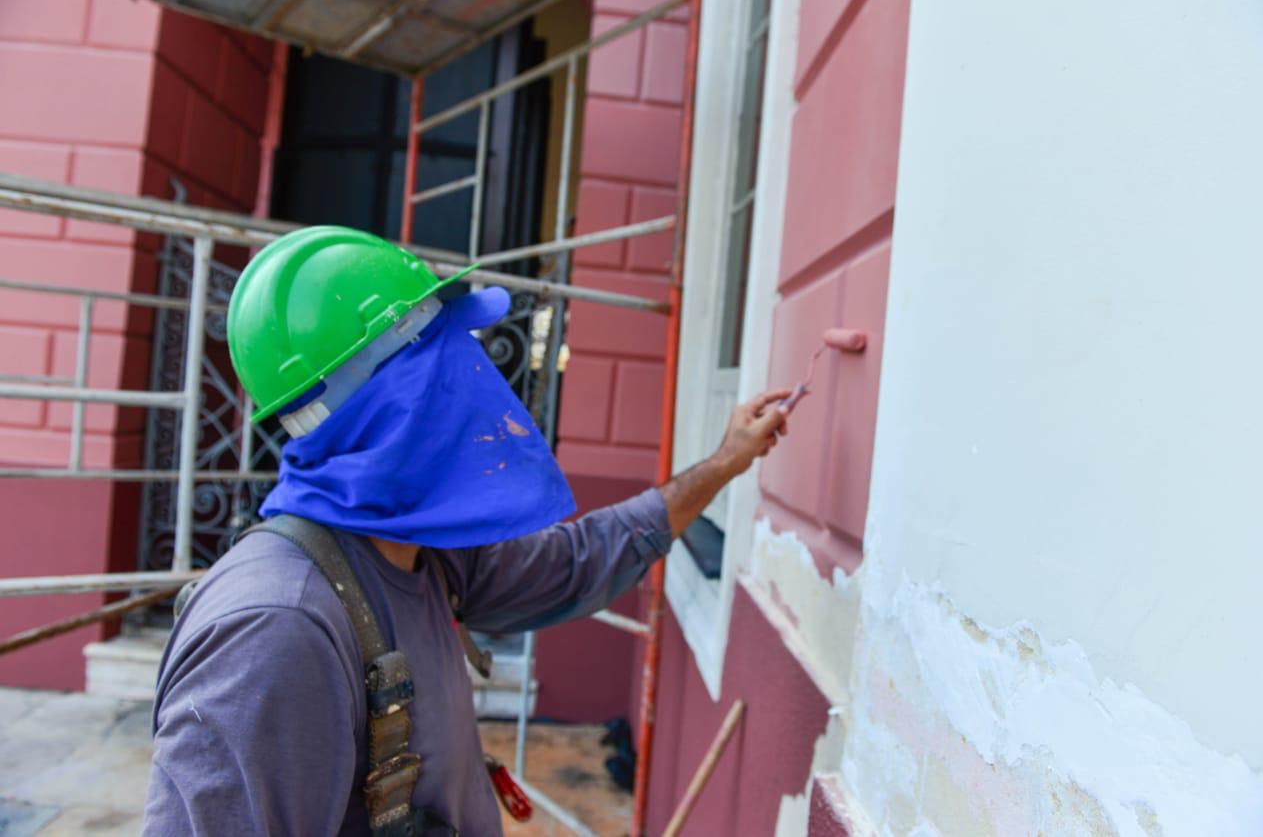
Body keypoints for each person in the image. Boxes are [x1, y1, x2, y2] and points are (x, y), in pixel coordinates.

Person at [142, 226, 790, 836]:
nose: (480, 383)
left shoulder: (424, 554)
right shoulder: (277, 629)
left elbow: (581, 559)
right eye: (450, 360)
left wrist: (725, 462)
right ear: (394, 402)